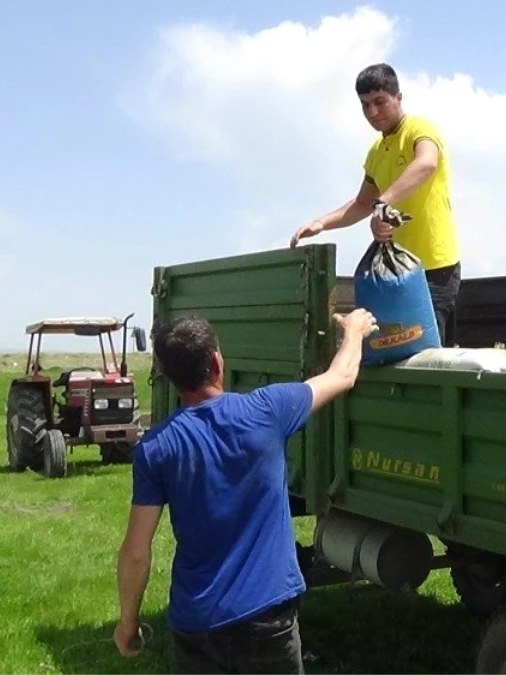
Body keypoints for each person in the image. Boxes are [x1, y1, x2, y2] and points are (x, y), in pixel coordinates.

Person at [113, 309, 379, 674]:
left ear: (170, 377)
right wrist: (354, 331)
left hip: (196, 626)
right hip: (266, 619)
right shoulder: (267, 411)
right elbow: (343, 375)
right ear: (217, 362)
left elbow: (136, 552)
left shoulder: (156, 448)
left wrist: (128, 621)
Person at [291, 62, 461, 346]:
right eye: (365, 105)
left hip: (435, 266)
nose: (373, 112)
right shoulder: (375, 152)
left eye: (380, 102)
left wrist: (383, 203)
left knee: (425, 352)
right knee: (394, 347)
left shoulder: (419, 129)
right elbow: (361, 203)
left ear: (398, 97)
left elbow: (427, 163)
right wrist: (322, 222)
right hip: (396, 271)